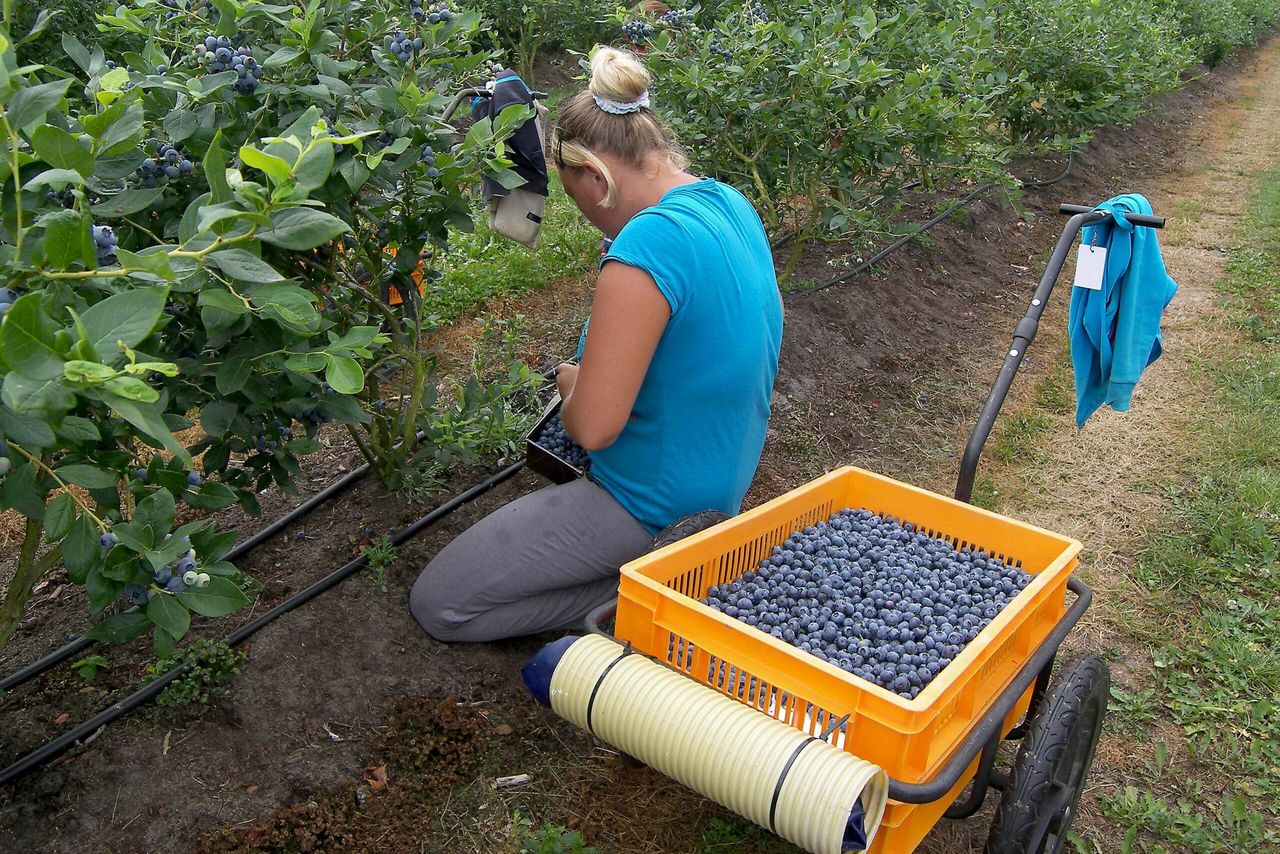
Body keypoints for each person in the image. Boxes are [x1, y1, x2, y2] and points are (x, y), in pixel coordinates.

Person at [408, 46, 783, 642]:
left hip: (651, 501)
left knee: (443, 603)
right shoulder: (726, 202)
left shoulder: (646, 249)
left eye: (574, 197)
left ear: (593, 175)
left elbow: (592, 431)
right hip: (717, 472)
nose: (586, 218)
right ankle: (666, 570)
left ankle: (660, 586)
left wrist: (572, 384)